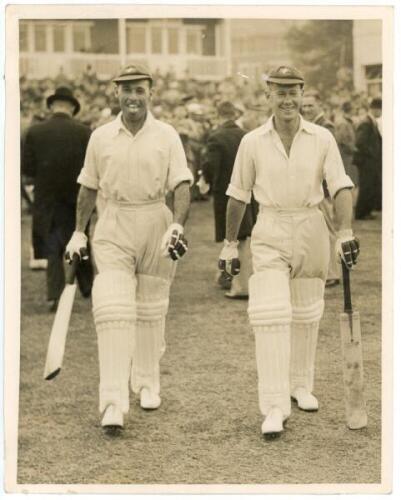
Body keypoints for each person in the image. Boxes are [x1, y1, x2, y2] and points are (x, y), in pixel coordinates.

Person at [218, 66, 359, 437]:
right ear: (267, 95)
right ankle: (274, 404)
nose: (287, 99)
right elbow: (237, 194)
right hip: (271, 224)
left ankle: (300, 385)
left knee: (307, 313)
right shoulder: (252, 141)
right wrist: (230, 244)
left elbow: (340, 186)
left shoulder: (322, 137)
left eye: (293, 91)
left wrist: (344, 232)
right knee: (270, 314)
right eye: (279, 92)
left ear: (302, 94)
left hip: (311, 225)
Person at [65, 65, 193, 431]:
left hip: (155, 219)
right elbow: (88, 187)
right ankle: (113, 401)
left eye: (139, 89)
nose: (133, 96)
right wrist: (78, 232)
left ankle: (148, 382)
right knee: (114, 311)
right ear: (116, 93)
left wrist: (177, 225)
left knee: (152, 311)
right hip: (114, 222)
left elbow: (182, 183)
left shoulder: (167, 135)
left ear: (150, 92)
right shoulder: (101, 137)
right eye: (126, 90)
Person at [22, 86, 94, 310]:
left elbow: (28, 168)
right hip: (76, 196)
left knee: (53, 247)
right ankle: (87, 286)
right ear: (72, 107)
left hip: (48, 199)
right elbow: (91, 168)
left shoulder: (35, 132)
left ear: (52, 106)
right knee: (79, 238)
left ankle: (56, 295)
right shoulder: (84, 132)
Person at [201, 101, 257, 298]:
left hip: (227, 194)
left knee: (236, 238)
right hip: (248, 191)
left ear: (219, 115)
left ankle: (241, 286)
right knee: (240, 237)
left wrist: (205, 179)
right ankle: (225, 276)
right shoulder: (246, 136)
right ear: (234, 114)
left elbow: (210, 164)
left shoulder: (216, 137)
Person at [302, 91, 340, 287]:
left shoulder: (326, 127)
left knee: (327, 230)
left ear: (320, 105)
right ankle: (324, 270)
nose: (307, 109)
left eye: (311, 105)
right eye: (305, 105)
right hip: (311, 187)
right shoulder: (309, 126)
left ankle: (332, 272)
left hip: (323, 188)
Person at [354, 97, 382, 220]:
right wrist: (372, 154)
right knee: (366, 186)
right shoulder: (366, 122)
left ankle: (367, 211)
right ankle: (361, 213)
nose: (381, 113)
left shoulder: (370, 121)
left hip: (369, 161)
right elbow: (360, 143)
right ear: (375, 109)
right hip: (366, 161)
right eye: (380, 110)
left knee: (370, 185)